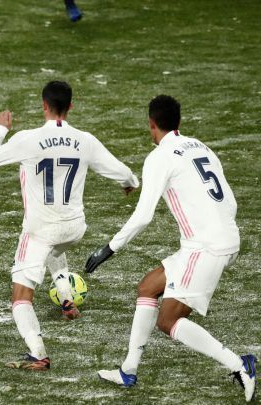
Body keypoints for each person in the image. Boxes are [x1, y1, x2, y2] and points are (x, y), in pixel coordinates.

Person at [86, 95, 256, 402]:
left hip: (205, 247)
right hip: (219, 238)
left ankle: (239, 364)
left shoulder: (159, 158)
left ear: (152, 125)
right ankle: (128, 370)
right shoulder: (200, 146)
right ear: (179, 121)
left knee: (168, 321)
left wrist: (109, 248)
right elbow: (231, 201)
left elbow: (143, 216)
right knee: (148, 288)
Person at [0, 81, 139, 370]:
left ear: (44, 105)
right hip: (75, 228)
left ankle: (37, 353)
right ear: (71, 107)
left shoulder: (28, 138)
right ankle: (67, 299)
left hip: (41, 230)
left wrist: (0, 129)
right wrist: (129, 183)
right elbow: (121, 170)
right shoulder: (85, 139)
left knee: (20, 296)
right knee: (54, 248)